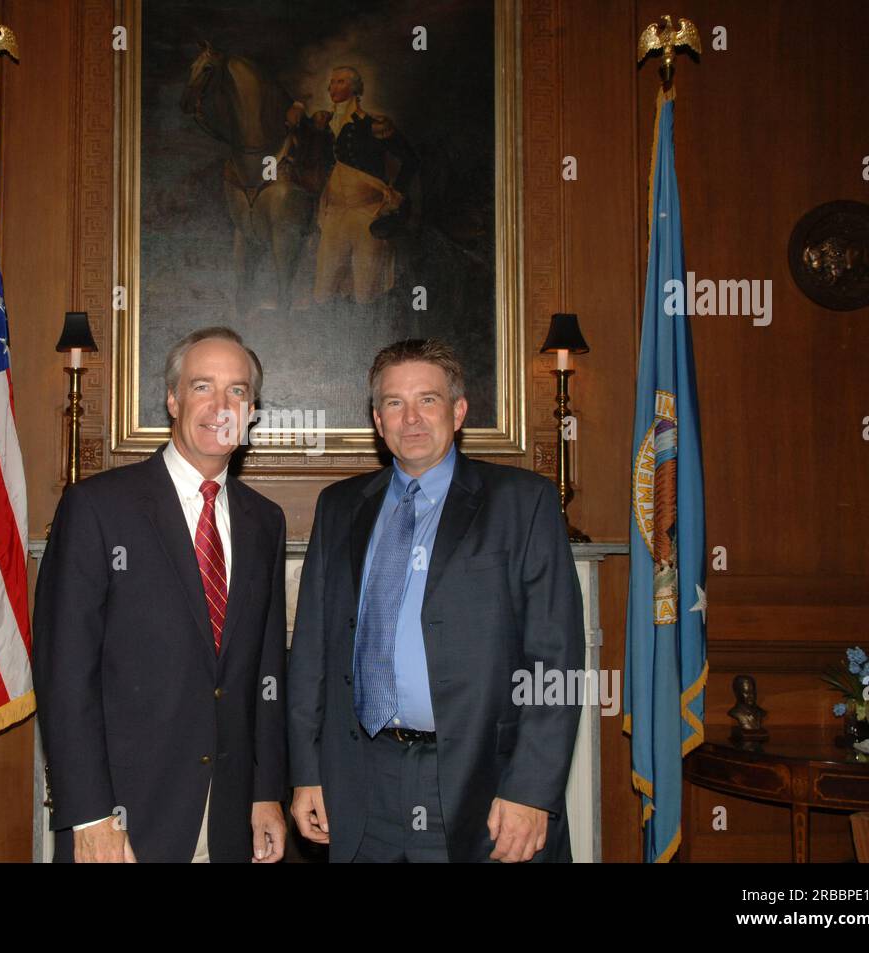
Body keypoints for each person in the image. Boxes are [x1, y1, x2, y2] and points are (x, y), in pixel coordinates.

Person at [288, 338, 583, 862]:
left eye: (428, 400)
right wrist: (308, 772)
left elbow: (555, 661)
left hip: (482, 784)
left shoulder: (523, 503)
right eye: (395, 404)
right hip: (360, 783)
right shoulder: (339, 507)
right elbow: (311, 648)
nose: (412, 419)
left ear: (459, 410)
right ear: (378, 421)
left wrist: (531, 790)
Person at [33, 326, 288, 862]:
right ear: (172, 399)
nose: (221, 405)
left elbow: (264, 670)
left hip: (228, 819)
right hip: (122, 821)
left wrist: (266, 792)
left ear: (252, 410)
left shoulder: (264, 521)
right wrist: (89, 814)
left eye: (237, 391)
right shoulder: (98, 508)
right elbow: (65, 673)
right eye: (202, 387)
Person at [286, 66, 419, 305]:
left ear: (355, 88)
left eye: (339, 82)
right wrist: (297, 106)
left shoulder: (374, 125)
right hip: (334, 214)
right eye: (331, 82)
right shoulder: (323, 123)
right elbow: (302, 142)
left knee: (365, 292)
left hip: (366, 213)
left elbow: (410, 159)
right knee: (324, 291)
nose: (331, 87)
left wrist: (396, 194)